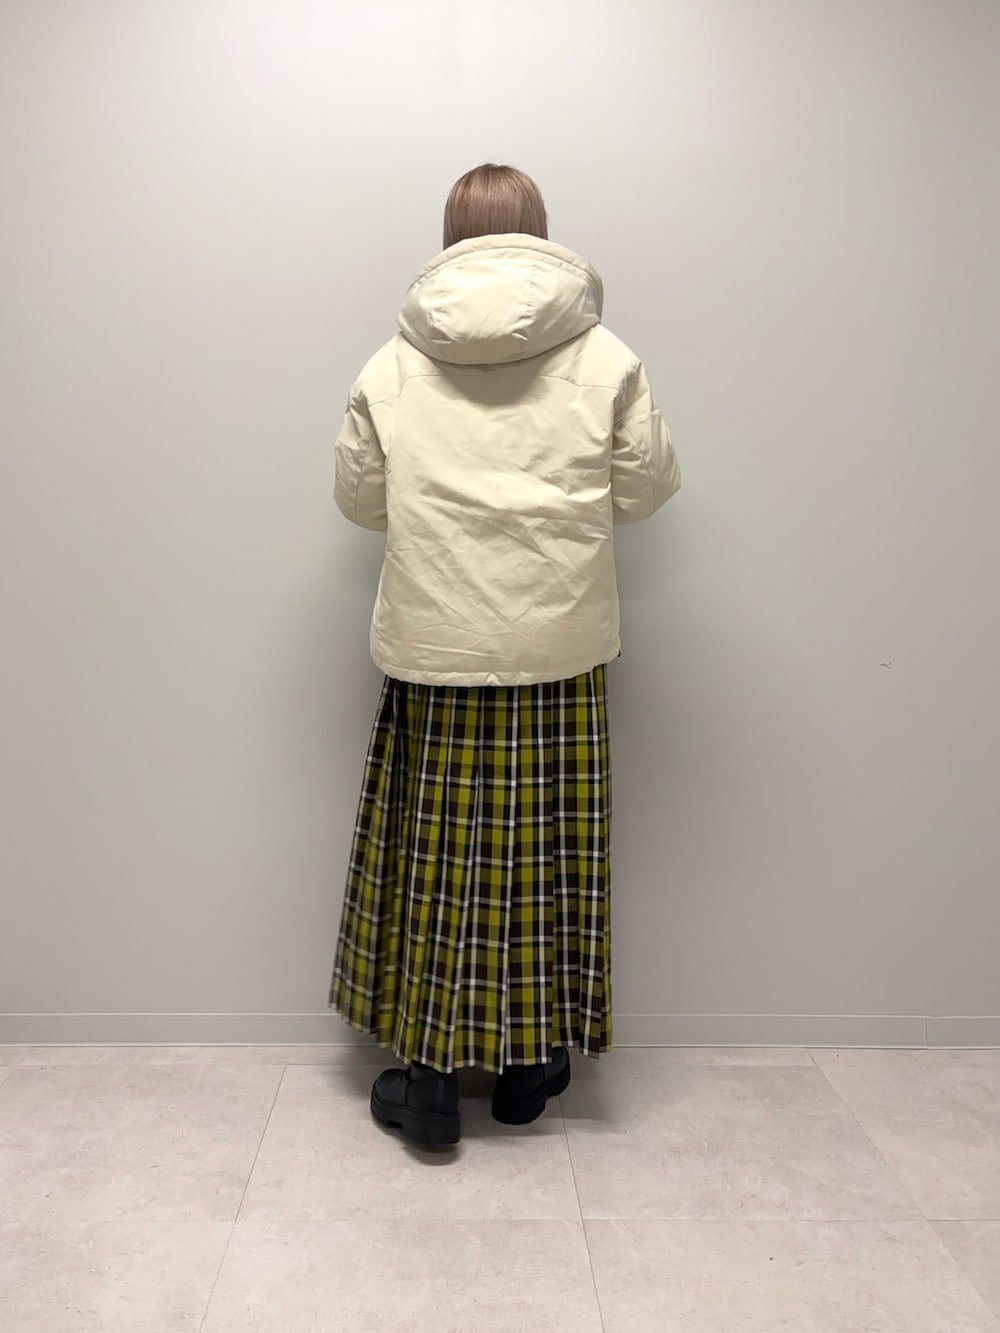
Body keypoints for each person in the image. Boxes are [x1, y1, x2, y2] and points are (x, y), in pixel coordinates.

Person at [328, 163, 680, 1147]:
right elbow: (645, 488)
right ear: (539, 232)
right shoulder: (605, 354)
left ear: (452, 237)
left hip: (434, 639)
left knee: (438, 855)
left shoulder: (392, 363)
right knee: (543, 851)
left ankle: (431, 1085)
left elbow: (359, 503)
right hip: (558, 644)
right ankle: (530, 1071)